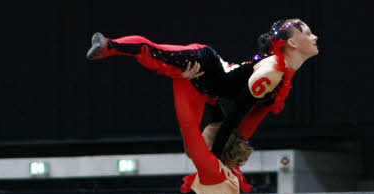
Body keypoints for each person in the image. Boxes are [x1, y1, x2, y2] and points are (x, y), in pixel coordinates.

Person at [87, 19, 318, 156]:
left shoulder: (282, 76)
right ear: (293, 43)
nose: (315, 36)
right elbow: (237, 114)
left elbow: (247, 123)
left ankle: (110, 45)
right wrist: (219, 154)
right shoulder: (272, 71)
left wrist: (233, 156)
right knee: (156, 53)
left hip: (207, 88)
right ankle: (109, 45)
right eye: (308, 33)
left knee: (192, 149)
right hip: (205, 65)